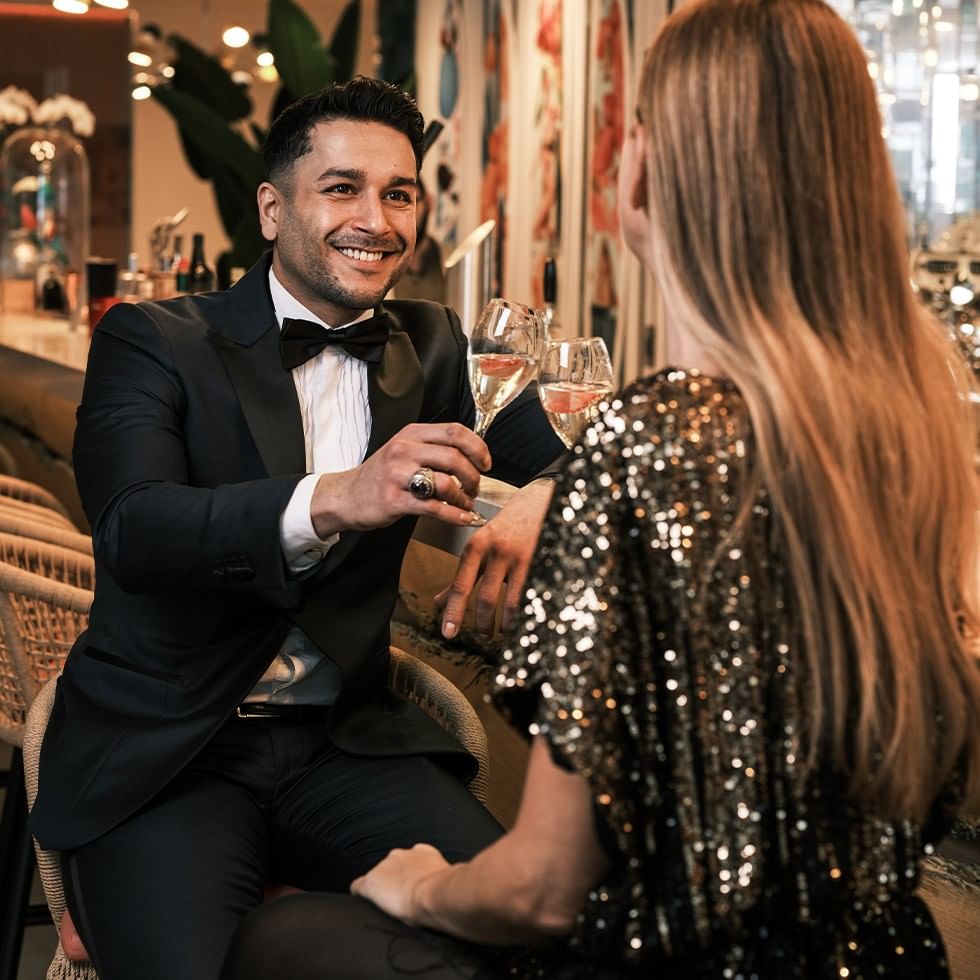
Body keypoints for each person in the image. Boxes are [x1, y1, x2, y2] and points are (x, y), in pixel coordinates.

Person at [220, 2, 980, 978]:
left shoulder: (653, 444)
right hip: (879, 954)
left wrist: (413, 883)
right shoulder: (915, 426)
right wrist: (566, 487)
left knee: (281, 940)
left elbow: (539, 888)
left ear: (646, 179)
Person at [29, 77, 563, 980]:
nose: (377, 219)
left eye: (398, 193)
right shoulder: (155, 339)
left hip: (346, 743)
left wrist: (540, 497)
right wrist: (338, 496)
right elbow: (133, 528)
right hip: (175, 748)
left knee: (530, 942)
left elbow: (586, 450)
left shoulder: (434, 343)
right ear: (273, 209)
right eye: (342, 187)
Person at [395, 177, 447, 304]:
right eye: (400, 202)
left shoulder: (448, 259)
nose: (410, 213)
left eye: (415, 201)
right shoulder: (382, 262)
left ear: (430, 202)